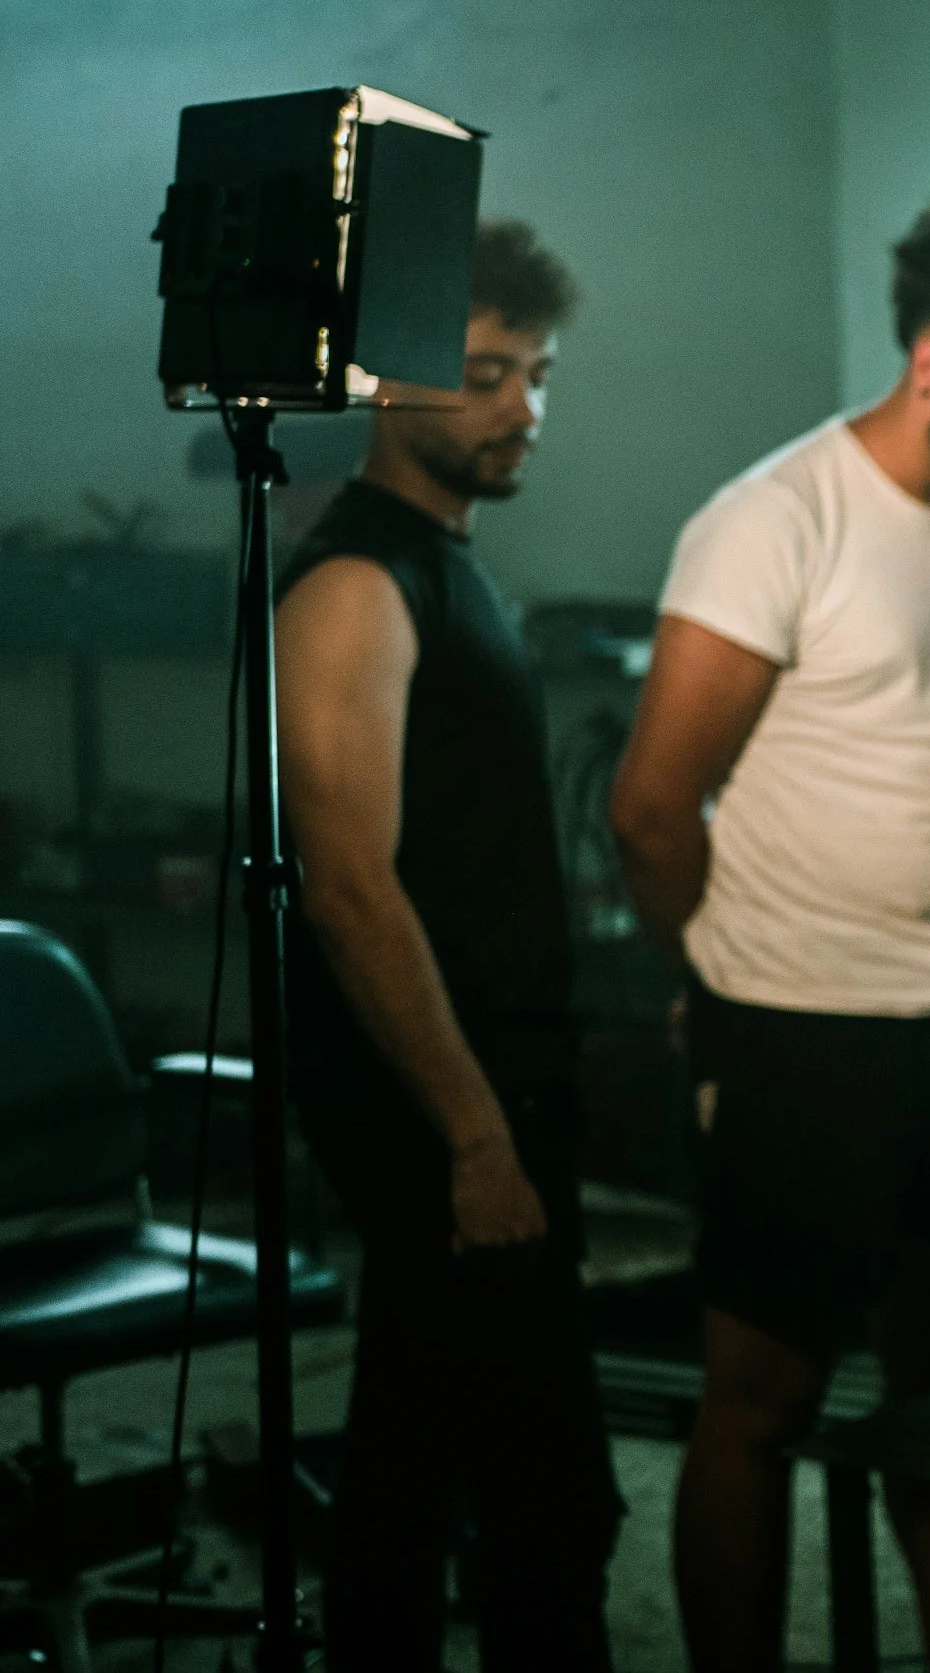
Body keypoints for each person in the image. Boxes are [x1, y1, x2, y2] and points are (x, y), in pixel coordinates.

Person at [608, 181, 930, 1673]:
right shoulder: (773, 520)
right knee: (761, 1403)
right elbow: (651, 809)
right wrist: (715, 984)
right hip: (798, 1029)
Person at [277, 220, 618, 1671]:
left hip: (491, 1086)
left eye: (535, 372)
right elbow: (347, 884)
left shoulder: (451, 567)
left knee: (411, 1463)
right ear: (380, 383)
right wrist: (476, 1134)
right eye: (484, 372)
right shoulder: (357, 582)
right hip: (440, 1103)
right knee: (554, 1497)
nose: (522, 405)